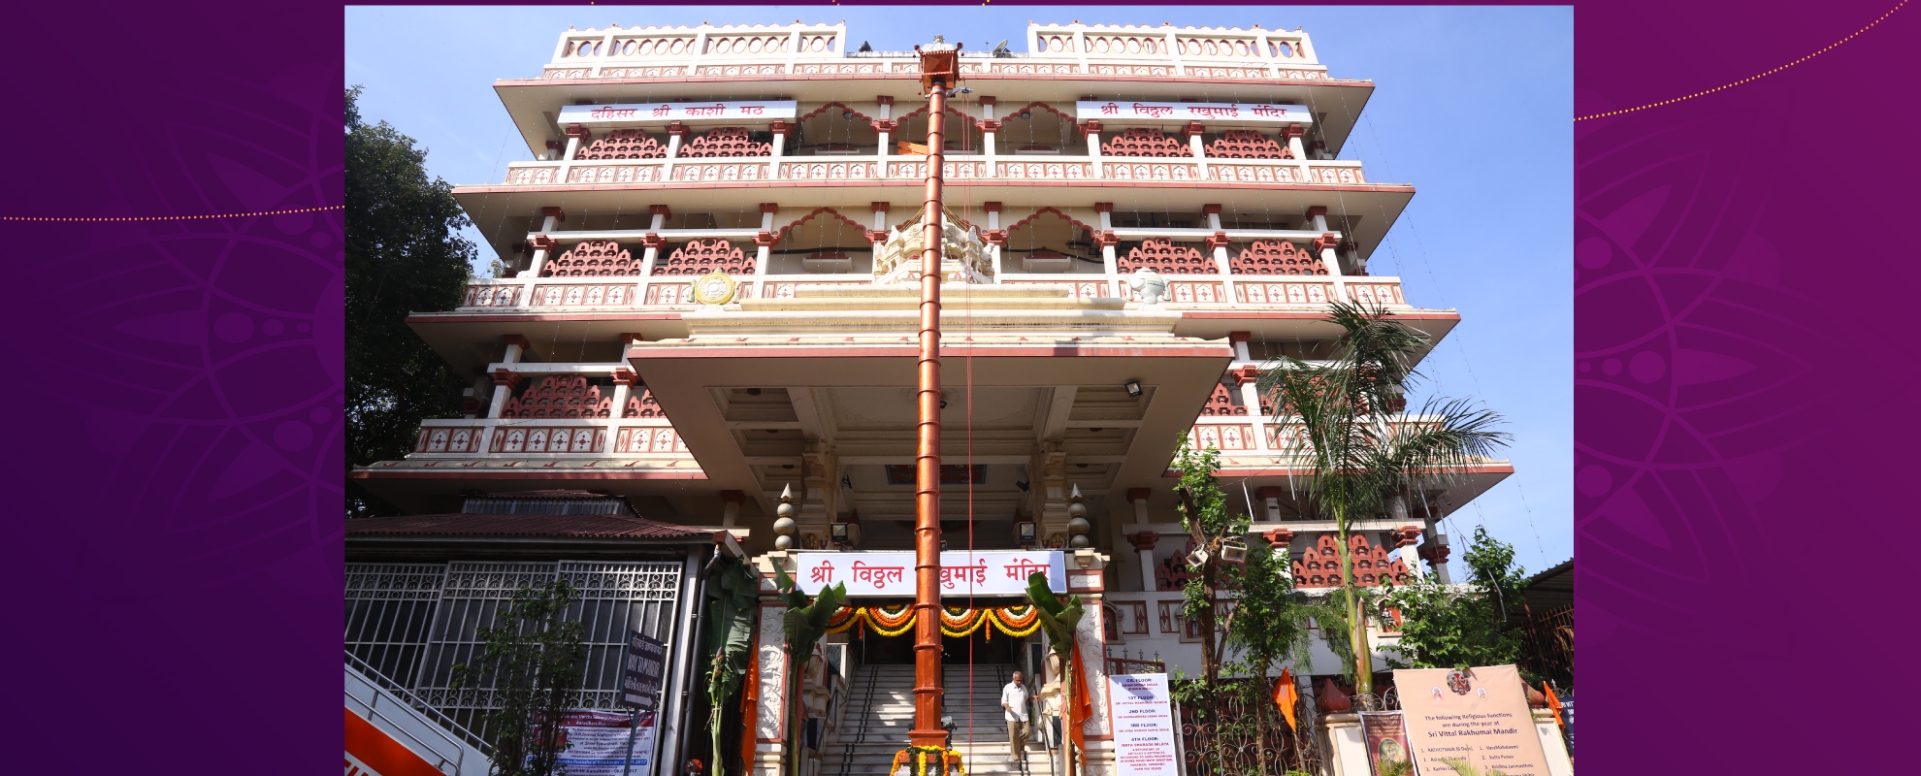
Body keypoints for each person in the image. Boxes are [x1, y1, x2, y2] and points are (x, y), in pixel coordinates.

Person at [1001, 671, 1031, 762]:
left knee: (1027, 732)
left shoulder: (1024, 688)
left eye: (1021, 680)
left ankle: (1020, 745)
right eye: (1017, 680)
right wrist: (1007, 707)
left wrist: (1032, 698)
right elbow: (1003, 701)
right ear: (1013, 679)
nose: (1019, 682)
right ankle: (1015, 755)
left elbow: (1025, 700)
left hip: (1023, 714)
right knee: (1013, 736)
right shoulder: (1008, 687)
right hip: (1012, 715)